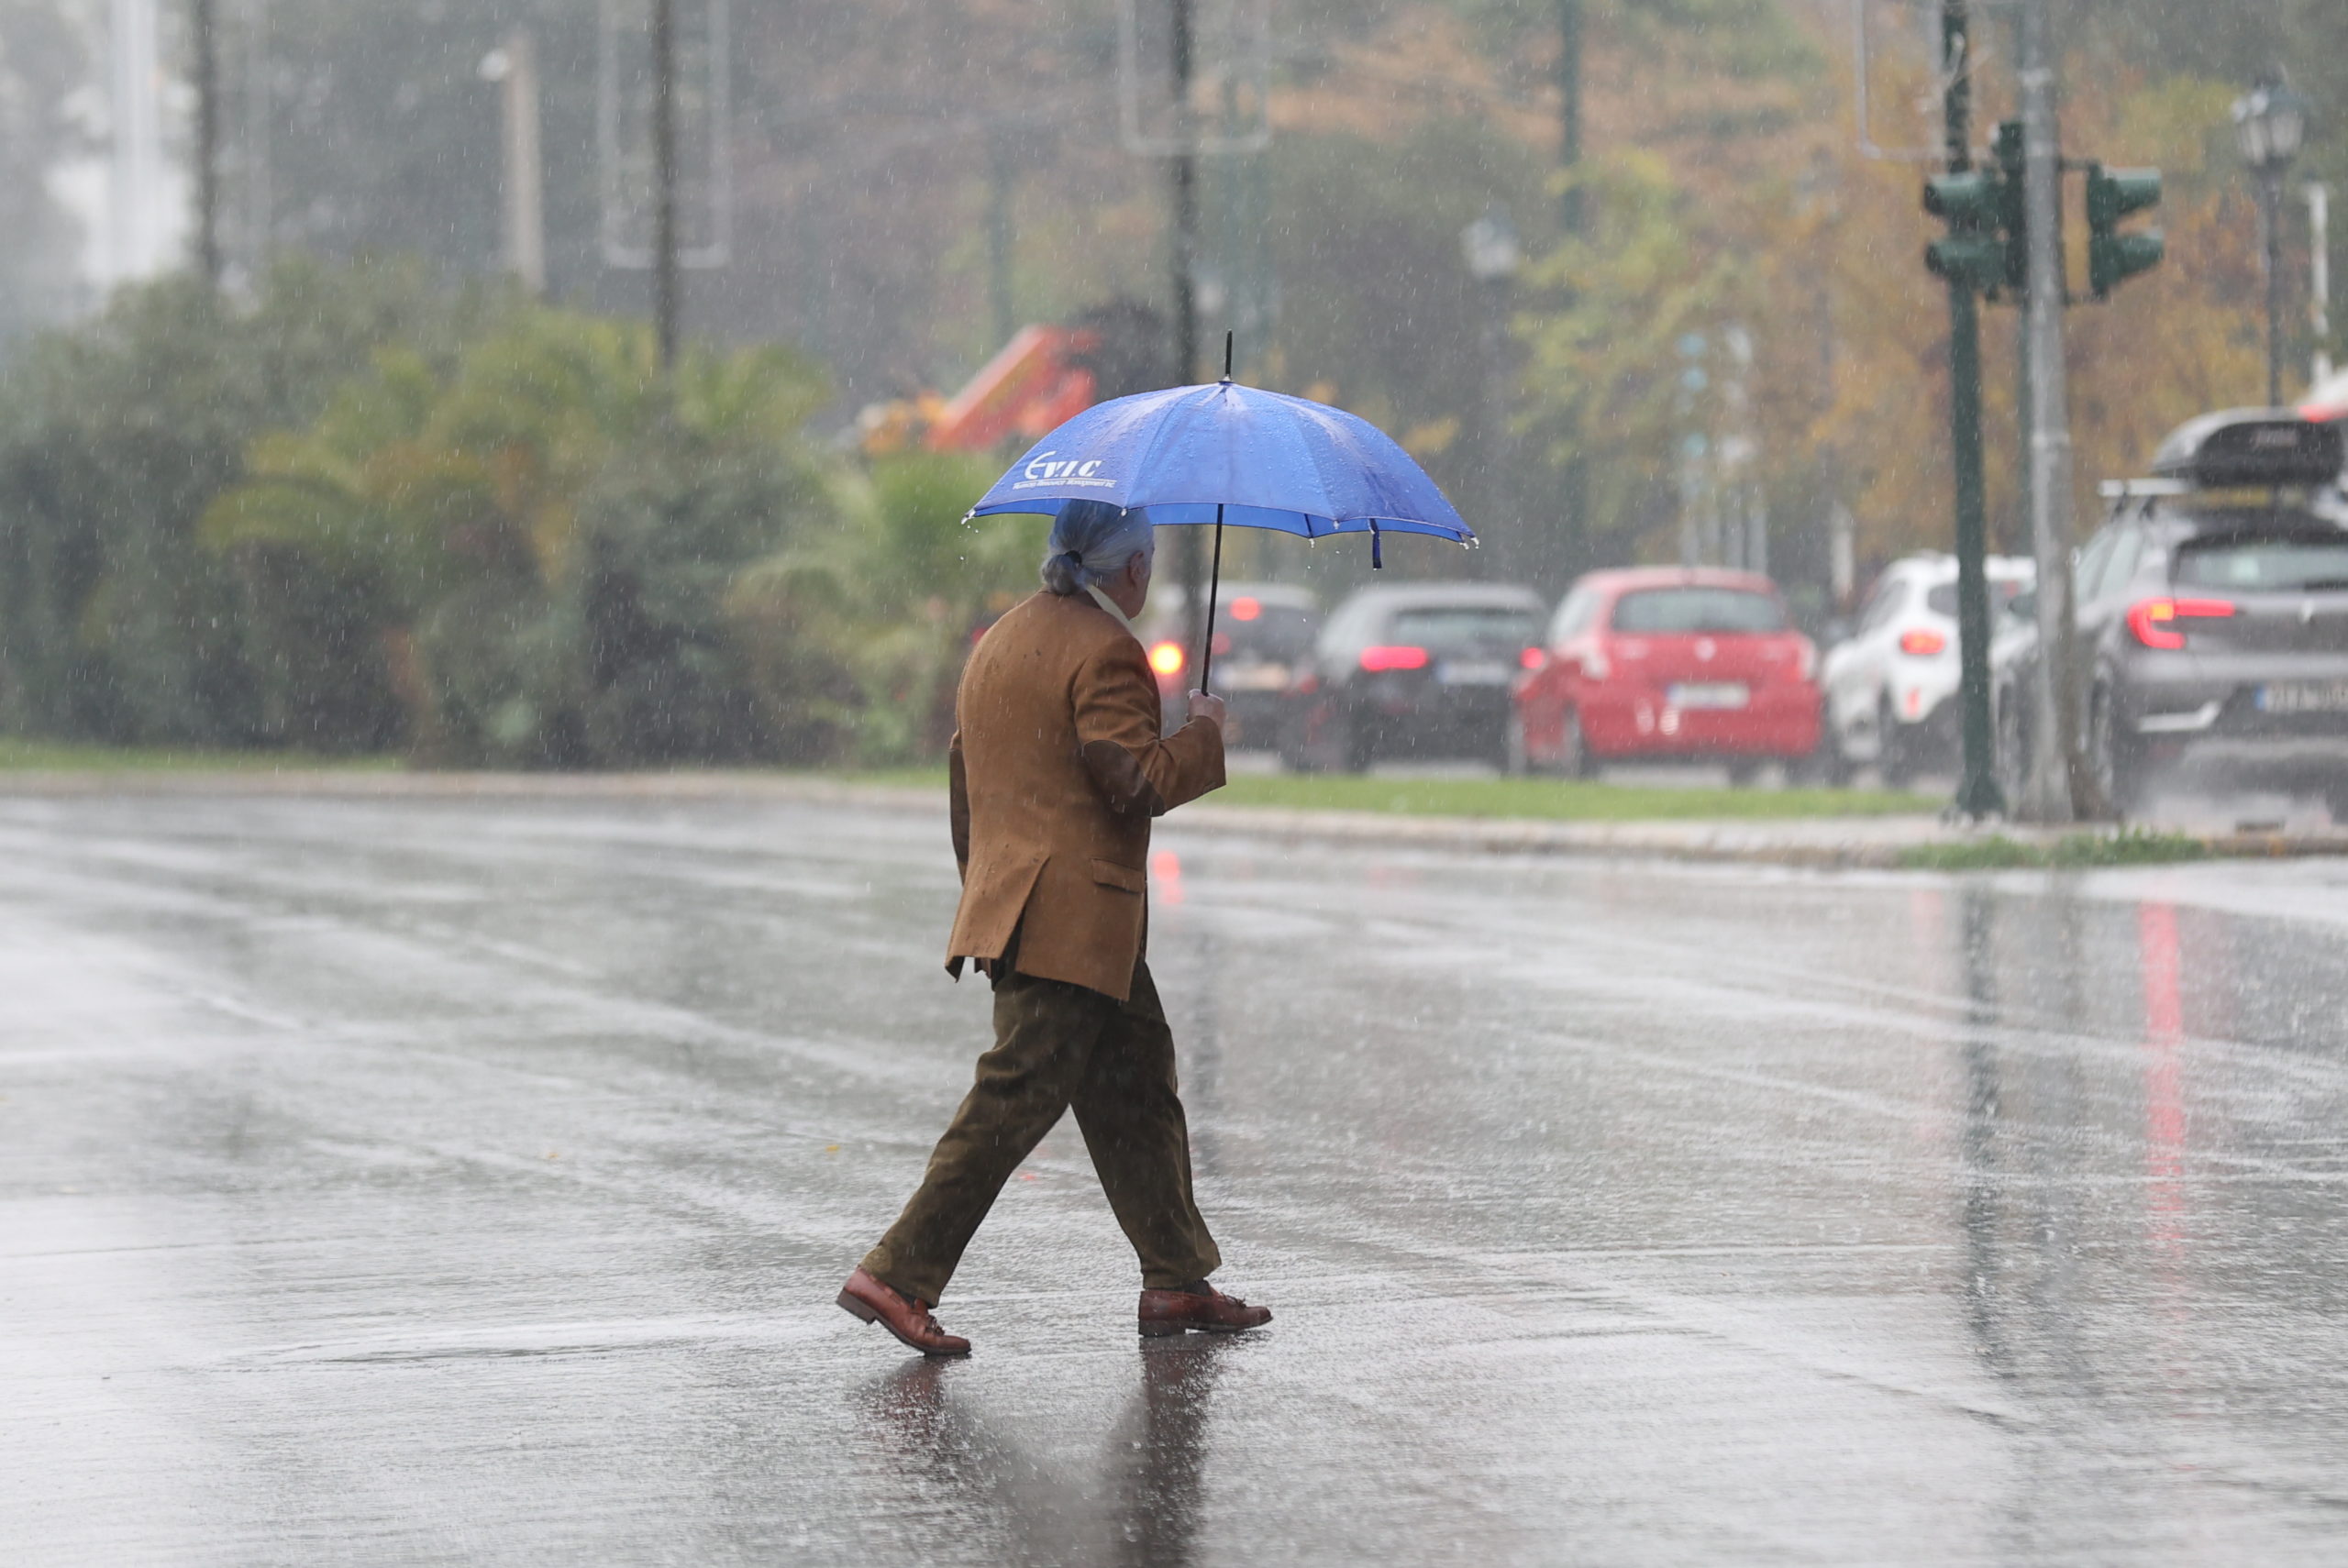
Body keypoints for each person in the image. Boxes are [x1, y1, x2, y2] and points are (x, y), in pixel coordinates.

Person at [837, 499, 1273, 1355]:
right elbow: (1133, 779)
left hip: (1035, 913)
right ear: (1134, 568)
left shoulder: (1002, 639)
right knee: (1012, 1099)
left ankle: (1176, 1279)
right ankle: (896, 1275)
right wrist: (1205, 735)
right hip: (1074, 921)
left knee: (1139, 1091)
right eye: (1149, 561)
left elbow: (967, 778)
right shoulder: (1107, 650)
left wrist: (992, 894)